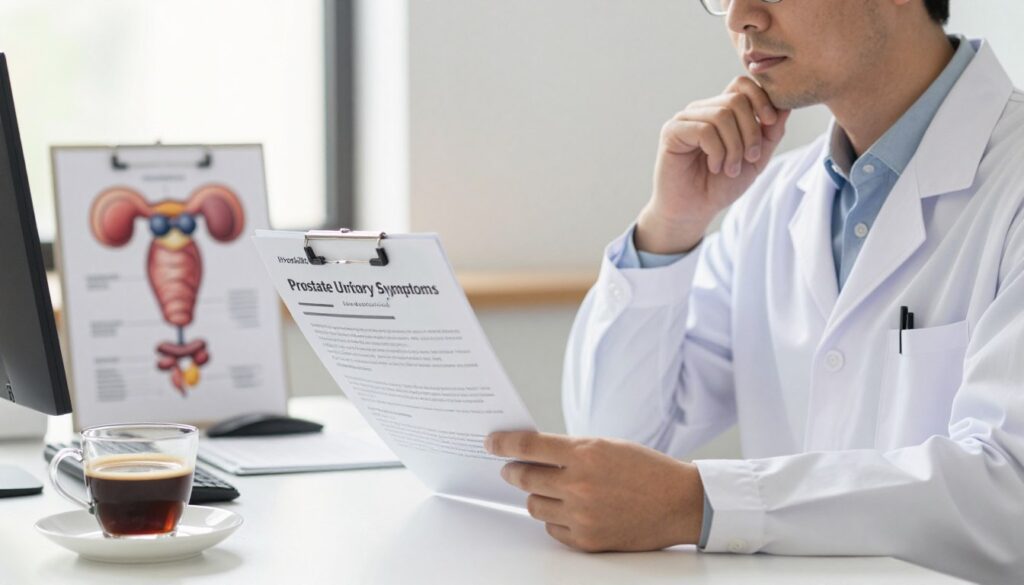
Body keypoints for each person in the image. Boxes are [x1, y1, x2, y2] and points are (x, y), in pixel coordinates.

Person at [482, 1, 1024, 583]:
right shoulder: (776, 199)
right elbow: (617, 445)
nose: (740, 16)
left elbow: (1007, 492)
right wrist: (671, 226)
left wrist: (702, 504)